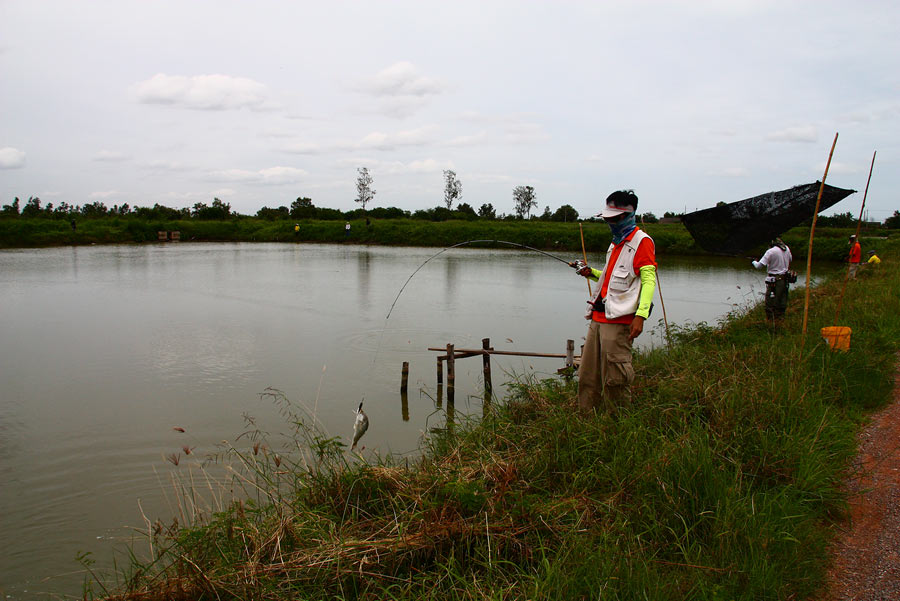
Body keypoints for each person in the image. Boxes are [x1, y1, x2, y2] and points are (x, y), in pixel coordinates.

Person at [571, 190, 656, 415]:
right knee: (588, 376)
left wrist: (641, 316)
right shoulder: (616, 244)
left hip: (619, 321)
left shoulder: (642, 242)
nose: (609, 222)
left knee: (615, 379)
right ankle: (587, 421)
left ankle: (616, 425)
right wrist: (590, 273)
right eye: (607, 218)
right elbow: (611, 279)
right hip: (598, 318)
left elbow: (648, 280)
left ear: (628, 215)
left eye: (613, 218)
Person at [752, 237, 793, 326]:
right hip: (784, 279)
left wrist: (754, 262)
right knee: (782, 302)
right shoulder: (786, 248)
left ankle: (771, 323)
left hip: (774, 281)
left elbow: (759, 266)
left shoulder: (770, 251)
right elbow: (790, 259)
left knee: (770, 304)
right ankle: (781, 321)